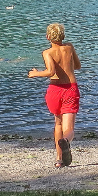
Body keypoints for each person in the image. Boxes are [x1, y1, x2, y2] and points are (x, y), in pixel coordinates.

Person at [28, 24, 81, 168]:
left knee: (57, 123)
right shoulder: (69, 47)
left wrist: (35, 73)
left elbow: (50, 72)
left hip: (54, 90)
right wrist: (67, 66)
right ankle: (66, 141)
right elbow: (78, 66)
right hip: (70, 89)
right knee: (68, 129)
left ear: (48, 37)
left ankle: (59, 159)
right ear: (62, 36)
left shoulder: (47, 53)